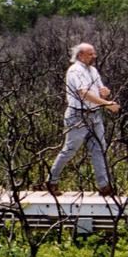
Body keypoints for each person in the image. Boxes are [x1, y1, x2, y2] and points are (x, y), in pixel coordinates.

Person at [48, 42, 119, 196]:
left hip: (94, 115)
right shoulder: (75, 71)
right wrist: (107, 104)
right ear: (80, 55)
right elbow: (84, 93)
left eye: (94, 53)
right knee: (70, 150)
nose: (94, 56)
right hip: (77, 116)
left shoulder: (92, 70)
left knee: (99, 149)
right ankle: (51, 181)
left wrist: (104, 92)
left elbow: (100, 90)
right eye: (90, 54)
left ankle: (104, 186)